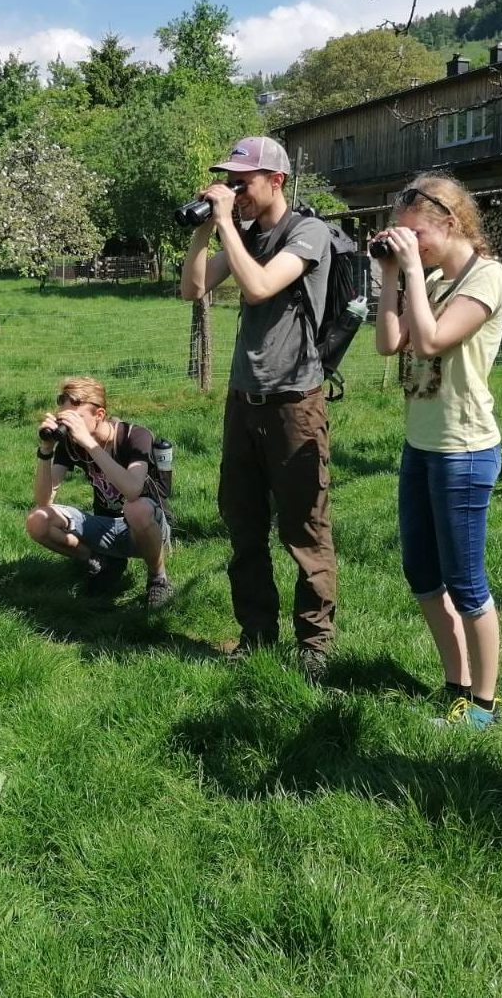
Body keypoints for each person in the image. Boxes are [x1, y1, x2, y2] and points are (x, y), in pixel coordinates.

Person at [179, 135, 337, 684]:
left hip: (294, 403)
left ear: (277, 181)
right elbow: (191, 287)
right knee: (244, 527)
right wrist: (206, 226)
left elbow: (260, 286)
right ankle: (257, 634)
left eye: (241, 182)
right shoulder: (242, 231)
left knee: (304, 531)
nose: (234, 191)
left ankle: (314, 646)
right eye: (228, 181)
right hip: (242, 403)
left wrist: (225, 223)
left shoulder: (307, 232)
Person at [371, 174, 502, 729]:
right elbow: (389, 344)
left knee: (466, 583)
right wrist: (390, 276)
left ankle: (484, 704)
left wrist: (409, 273)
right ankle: (454, 684)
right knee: (422, 575)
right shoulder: (425, 276)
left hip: (464, 450)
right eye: (402, 234)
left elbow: (429, 341)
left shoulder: (488, 277)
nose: (409, 242)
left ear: (451, 223)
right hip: (421, 445)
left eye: (416, 233)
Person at [24, 376, 174, 608]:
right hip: (107, 524)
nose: (72, 427)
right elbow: (44, 501)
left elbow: (133, 490)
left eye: (78, 418)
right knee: (38, 520)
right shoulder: (71, 443)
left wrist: (89, 443)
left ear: (99, 415)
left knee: (136, 508)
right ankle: (99, 561)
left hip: (147, 527)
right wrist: (46, 450)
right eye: (66, 418)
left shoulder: (135, 436)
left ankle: (158, 578)